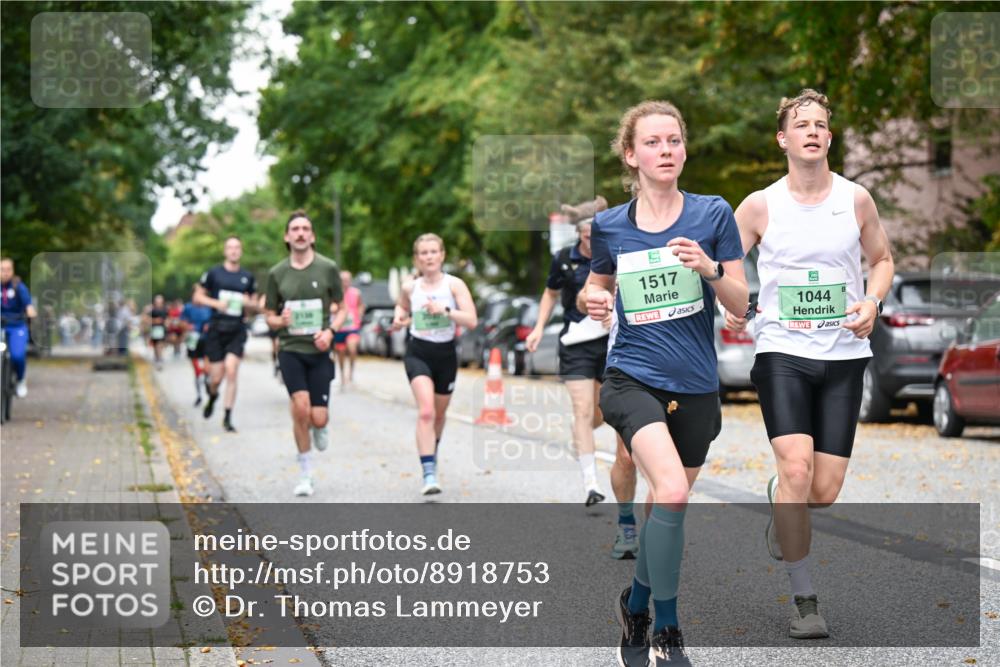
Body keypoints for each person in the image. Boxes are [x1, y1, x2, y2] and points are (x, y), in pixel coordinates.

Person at [725, 89, 894, 640]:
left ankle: (785, 498)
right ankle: (805, 600)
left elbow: (883, 260)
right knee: (797, 467)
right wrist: (737, 306)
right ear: (784, 139)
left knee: (822, 490)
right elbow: (727, 268)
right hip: (782, 353)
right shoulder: (758, 205)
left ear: (829, 136)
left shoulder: (856, 199)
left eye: (821, 124)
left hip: (844, 354)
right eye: (802, 125)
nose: (813, 131)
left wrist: (871, 302)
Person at [584, 101, 748, 666]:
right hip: (631, 378)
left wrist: (709, 269)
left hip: (696, 383)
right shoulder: (609, 225)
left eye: (674, 141)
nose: (666, 151)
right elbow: (594, 288)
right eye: (653, 143)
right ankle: (668, 630)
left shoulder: (713, 214)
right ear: (631, 155)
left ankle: (635, 603)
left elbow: (740, 303)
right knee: (673, 493)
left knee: (664, 509)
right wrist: (595, 301)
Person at [525, 197, 641, 559]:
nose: (592, 241)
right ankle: (591, 482)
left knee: (600, 415)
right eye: (586, 235)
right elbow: (549, 294)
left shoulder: (620, 249)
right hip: (576, 343)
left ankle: (588, 437)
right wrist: (538, 327)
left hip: (611, 343)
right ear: (579, 235)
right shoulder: (565, 258)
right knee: (580, 410)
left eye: (596, 234)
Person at [264, 211, 346, 497]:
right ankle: (306, 473)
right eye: (295, 229)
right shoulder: (277, 273)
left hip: (320, 349)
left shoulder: (327, 268)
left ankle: (319, 425)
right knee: (300, 408)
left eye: (305, 229)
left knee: (318, 417)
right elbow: (268, 316)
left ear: (312, 236)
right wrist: (280, 321)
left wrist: (331, 332)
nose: (300, 233)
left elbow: (343, 307)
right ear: (287, 237)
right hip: (290, 349)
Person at [392, 234, 477, 496]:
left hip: (445, 356)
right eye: (423, 253)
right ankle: (428, 472)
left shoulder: (454, 285)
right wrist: (399, 317)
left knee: (439, 415)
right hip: (418, 352)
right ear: (417, 259)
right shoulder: (410, 287)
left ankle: (432, 450)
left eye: (433, 252)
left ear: (442, 255)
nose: (428, 257)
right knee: (426, 411)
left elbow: (471, 320)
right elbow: (401, 306)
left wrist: (446, 312)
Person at [195, 236, 257, 433]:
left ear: (241, 251)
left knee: (231, 370)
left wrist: (249, 304)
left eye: (237, 247)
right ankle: (212, 396)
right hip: (216, 328)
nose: (234, 251)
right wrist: (216, 304)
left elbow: (255, 304)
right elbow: (197, 296)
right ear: (225, 251)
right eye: (230, 247)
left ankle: (227, 417)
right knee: (216, 378)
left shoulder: (247, 277)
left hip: (237, 329)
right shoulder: (214, 273)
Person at [1, 258, 37, 397]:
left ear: (12, 270)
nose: (5, 273)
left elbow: (28, 305)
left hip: (17, 326)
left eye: (8, 269)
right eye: (2, 269)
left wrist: (30, 312)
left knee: (18, 356)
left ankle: (21, 379)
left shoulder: (18, 286)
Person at [180, 286, 213, 406]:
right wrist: (187, 326)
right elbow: (182, 322)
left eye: (203, 293)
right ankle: (199, 395)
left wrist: (209, 326)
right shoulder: (188, 307)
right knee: (196, 371)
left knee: (207, 368)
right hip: (192, 339)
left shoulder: (209, 307)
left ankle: (208, 383)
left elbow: (214, 321)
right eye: (199, 293)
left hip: (206, 339)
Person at [334, 270, 365, 388]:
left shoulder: (356, 293)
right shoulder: (335, 294)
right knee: (340, 353)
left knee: (352, 348)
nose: (345, 282)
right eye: (342, 280)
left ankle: (351, 373)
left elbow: (361, 305)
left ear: (350, 281)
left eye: (347, 280)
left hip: (352, 327)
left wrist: (360, 314)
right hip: (339, 328)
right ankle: (342, 376)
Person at [147, 295, 168, 371]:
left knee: (160, 344)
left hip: (162, 329)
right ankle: (158, 358)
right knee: (156, 345)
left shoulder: (165, 310)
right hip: (155, 329)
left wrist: (166, 323)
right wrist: (155, 320)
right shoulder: (152, 310)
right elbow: (147, 319)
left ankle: (159, 358)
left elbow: (167, 319)